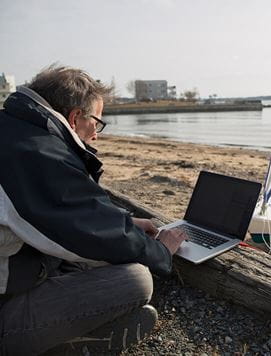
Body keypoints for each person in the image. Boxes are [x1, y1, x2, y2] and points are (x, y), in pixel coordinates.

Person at [0, 65, 187, 355]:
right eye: (97, 123)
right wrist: (161, 251)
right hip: (5, 312)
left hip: (18, 271)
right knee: (135, 280)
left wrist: (125, 221)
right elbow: (85, 227)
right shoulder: (34, 152)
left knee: (103, 259)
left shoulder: (14, 130)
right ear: (75, 118)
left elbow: (72, 213)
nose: (97, 135)